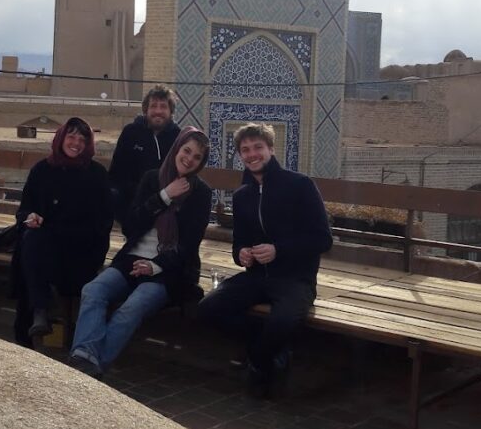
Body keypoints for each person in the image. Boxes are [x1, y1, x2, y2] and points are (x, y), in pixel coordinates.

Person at [197, 123, 332, 395]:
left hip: (295, 279)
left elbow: (322, 239)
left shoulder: (300, 185)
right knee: (207, 309)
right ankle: (269, 351)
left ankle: (259, 366)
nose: (252, 154)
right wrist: (242, 255)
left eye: (258, 147)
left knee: (282, 321)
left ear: (271, 148)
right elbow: (239, 244)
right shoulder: (243, 196)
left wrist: (278, 250)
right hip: (258, 277)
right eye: (245, 150)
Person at [68, 127, 212, 377]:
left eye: (197, 157)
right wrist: (165, 196)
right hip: (132, 258)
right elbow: (132, 224)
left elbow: (188, 246)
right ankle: (86, 357)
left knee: (131, 307)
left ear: (201, 163)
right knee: (93, 290)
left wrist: (154, 266)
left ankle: (90, 367)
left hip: (169, 270)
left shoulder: (201, 193)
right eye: (186, 151)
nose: (189, 159)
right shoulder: (152, 179)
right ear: (177, 148)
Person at [10, 117, 113, 346]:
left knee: (33, 252)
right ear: (61, 138)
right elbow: (25, 208)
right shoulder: (43, 170)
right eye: (71, 136)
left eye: (82, 139)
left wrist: (59, 231)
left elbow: (102, 223)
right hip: (44, 246)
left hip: (80, 250)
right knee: (33, 240)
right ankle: (39, 312)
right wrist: (30, 217)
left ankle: (38, 313)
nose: (76, 143)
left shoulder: (96, 175)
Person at [108, 85, 181, 221]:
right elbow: (117, 174)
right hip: (132, 204)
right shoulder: (131, 133)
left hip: (166, 204)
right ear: (146, 110)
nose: (158, 111)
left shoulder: (178, 137)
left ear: (171, 111)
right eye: (153, 106)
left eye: (163, 107)